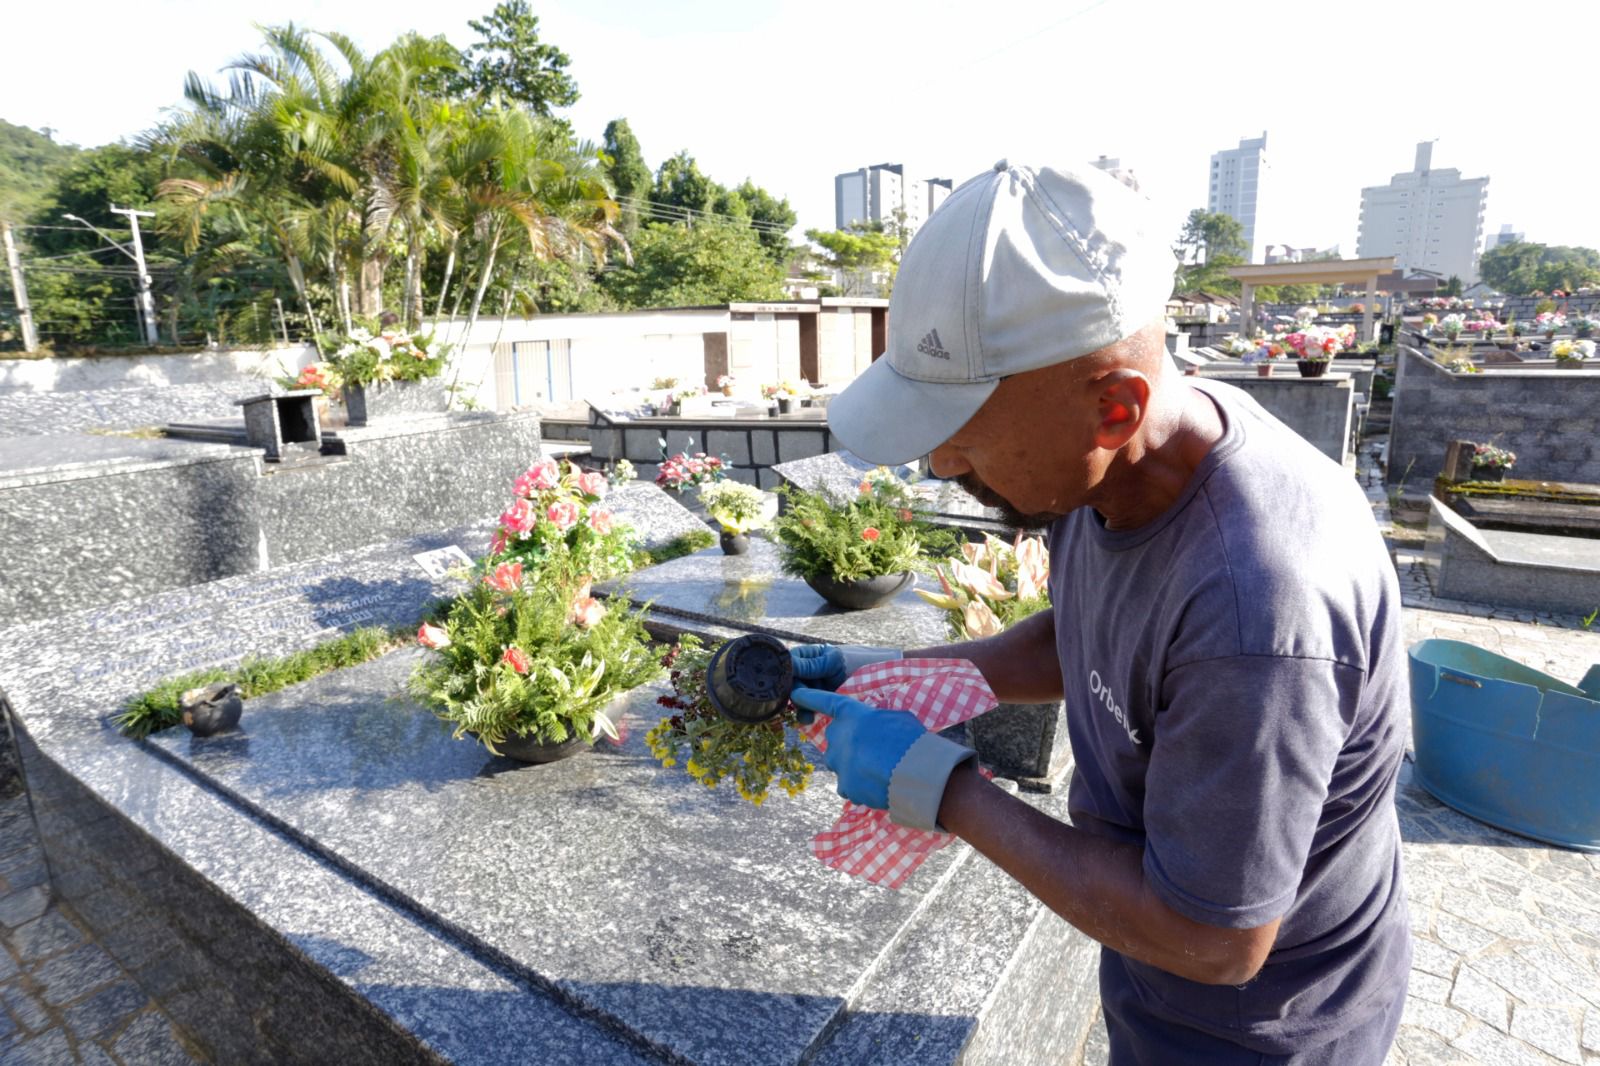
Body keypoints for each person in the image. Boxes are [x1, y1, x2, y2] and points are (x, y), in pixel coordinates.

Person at [788, 161, 1411, 1065]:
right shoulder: (1131, 462)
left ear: (1114, 407)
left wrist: (943, 789)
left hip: (1260, 1029)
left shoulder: (1258, 611)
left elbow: (1213, 940)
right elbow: (1088, 633)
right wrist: (888, 676)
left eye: (962, 426)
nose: (941, 464)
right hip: (1155, 977)